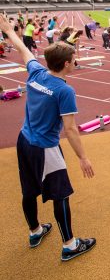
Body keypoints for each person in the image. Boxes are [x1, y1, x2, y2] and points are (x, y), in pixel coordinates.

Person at [0, 13, 96, 262]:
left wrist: (9, 31)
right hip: (45, 148)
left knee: (29, 190)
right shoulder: (65, 90)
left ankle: (35, 231)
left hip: (24, 141)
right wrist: (83, 158)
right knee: (61, 194)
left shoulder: (36, 72)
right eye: (74, 58)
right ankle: (70, 245)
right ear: (65, 64)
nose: (76, 60)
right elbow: (71, 129)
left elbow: (22, 49)